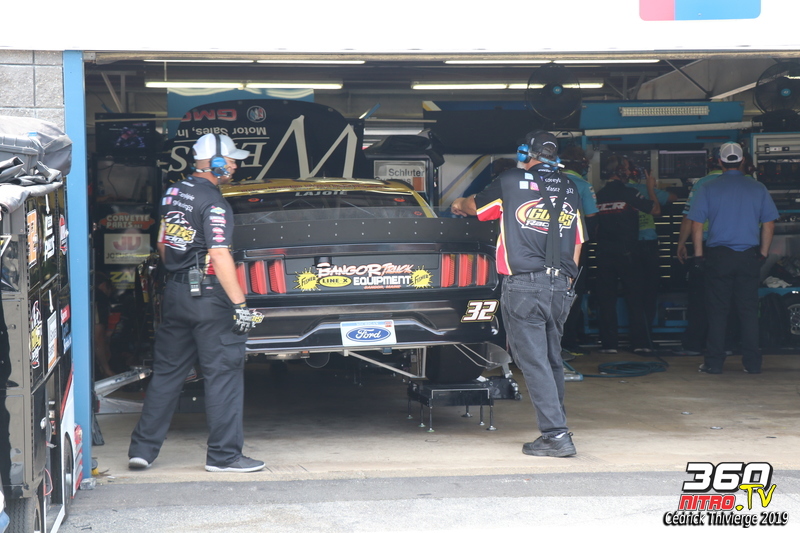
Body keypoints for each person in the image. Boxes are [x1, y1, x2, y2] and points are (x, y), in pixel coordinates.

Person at [128, 133, 264, 472]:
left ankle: (142, 450)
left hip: (175, 294)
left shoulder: (173, 193)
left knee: (167, 373)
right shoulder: (215, 203)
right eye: (230, 160)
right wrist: (240, 305)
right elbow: (219, 254)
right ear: (215, 163)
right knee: (223, 374)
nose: (235, 166)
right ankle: (224, 456)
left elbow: (163, 243)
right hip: (208, 297)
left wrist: (179, 270)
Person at [450, 131, 586, 457]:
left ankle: (555, 435)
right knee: (551, 359)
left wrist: (457, 203)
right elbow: (578, 241)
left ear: (525, 154)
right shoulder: (569, 187)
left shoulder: (511, 180)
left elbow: (474, 207)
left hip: (524, 284)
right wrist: (567, 281)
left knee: (534, 361)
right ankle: (558, 428)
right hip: (561, 285)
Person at [687, 142, 779, 374]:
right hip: (748, 256)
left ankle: (714, 363)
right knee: (748, 312)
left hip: (719, 257)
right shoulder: (758, 188)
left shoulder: (708, 187)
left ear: (720, 162)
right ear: (743, 161)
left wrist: (698, 255)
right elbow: (769, 224)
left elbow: (696, 224)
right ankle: (752, 364)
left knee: (718, 312)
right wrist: (763, 253)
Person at [594, 155, 660, 354]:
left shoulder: (598, 195)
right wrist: (650, 187)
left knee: (606, 300)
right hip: (628, 253)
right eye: (627, 168)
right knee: (635, 298)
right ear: (621, 172)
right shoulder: (629, 193)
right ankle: (640, 343)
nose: (630, 172)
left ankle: (609, 345)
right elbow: (655, 210)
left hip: (604, 253)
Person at [675, 152, 724, 353]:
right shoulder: (743, 184)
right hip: (733, 248)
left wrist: (681, 243)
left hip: (704, 246)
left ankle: (695, 343)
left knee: (699, 297)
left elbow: (690, 217)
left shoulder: (702, 184)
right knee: (726, 296)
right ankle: (725, 343)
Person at [626, 162, 676, 339]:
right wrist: (651, 188)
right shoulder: (644, 189)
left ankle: (636, 334)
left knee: (634, 291)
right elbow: (672, 198)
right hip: (648, 245)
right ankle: (646, 335)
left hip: (629, 247)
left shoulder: (621, 190)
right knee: (649, 290)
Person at [558, 145, 598, 359]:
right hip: (574, 248)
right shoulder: (582, 185)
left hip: (544, 248)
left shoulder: (545, 182)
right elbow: (591, 218)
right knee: (572, 292)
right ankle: (569, 342)